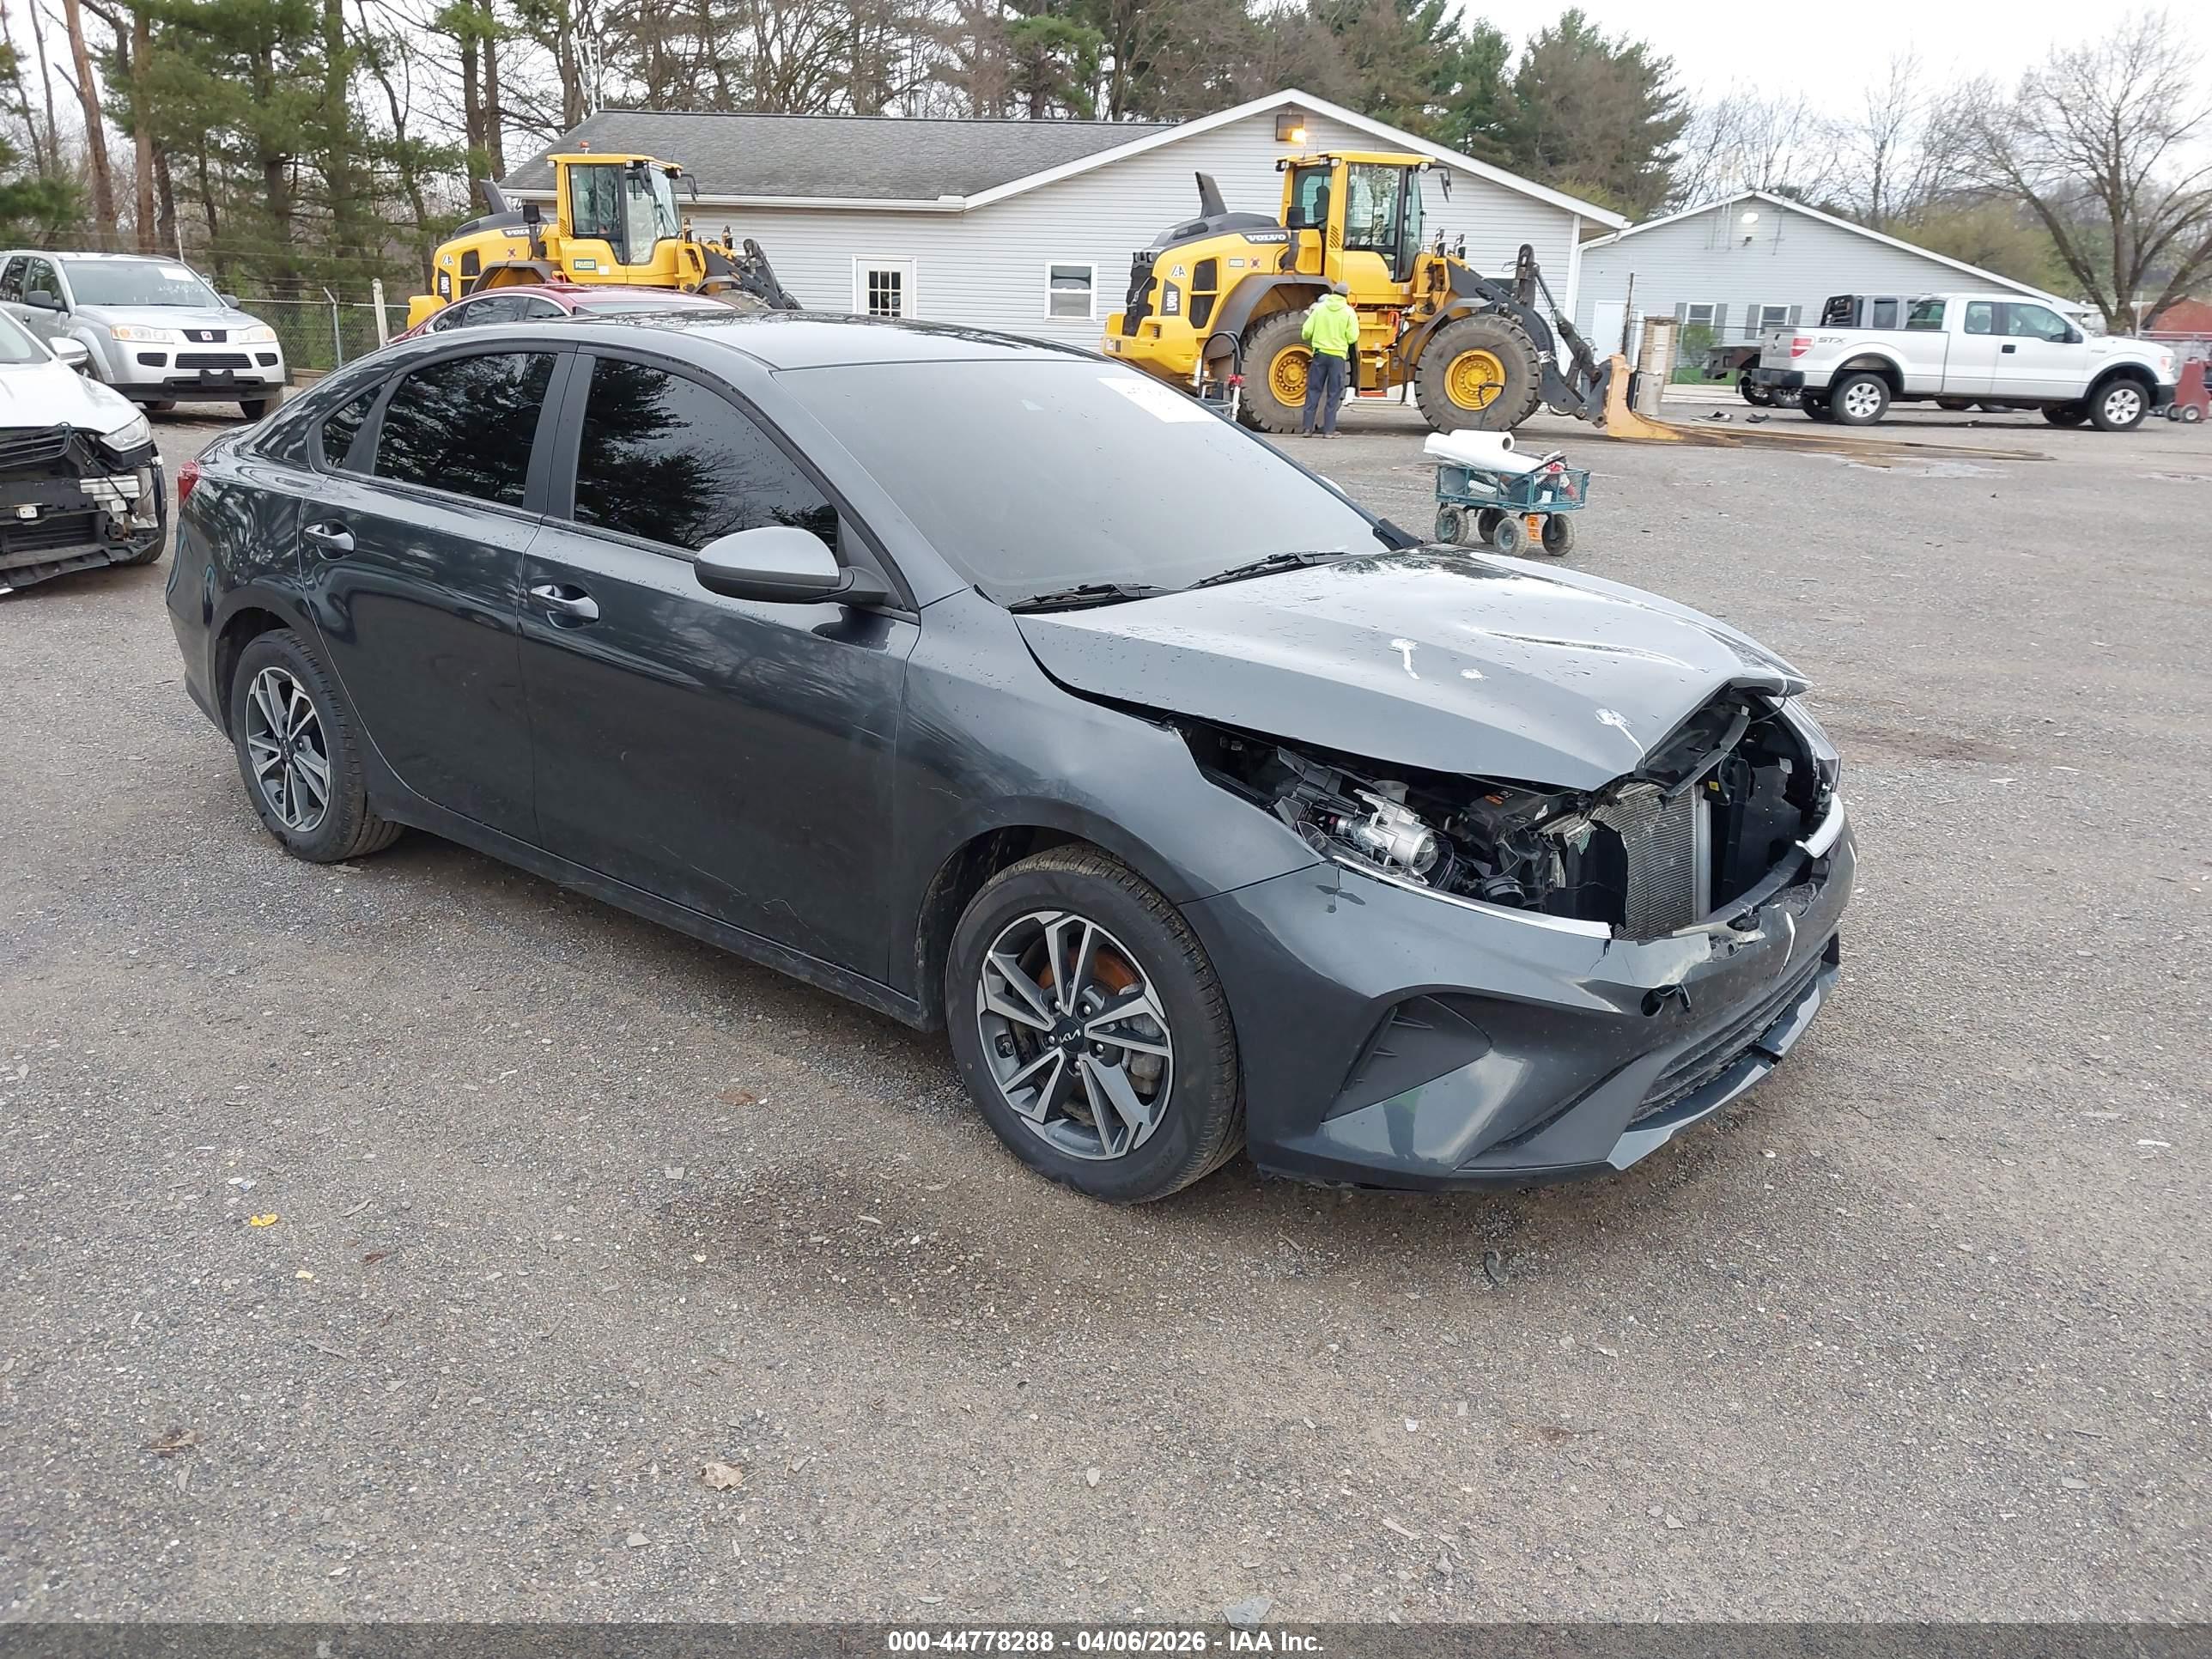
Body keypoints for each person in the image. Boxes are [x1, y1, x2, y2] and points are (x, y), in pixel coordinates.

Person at [1300, 282, 1358, 436]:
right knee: (1333, 393)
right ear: (1346, 295)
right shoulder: (1349, 312)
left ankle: (1307, 429)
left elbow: (1306, 332)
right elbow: (1352, 337)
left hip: (1319, 355)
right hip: (1337, 357)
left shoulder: (1320, 309)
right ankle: (1329, 431)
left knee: (1313, 390)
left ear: (1333, 293)